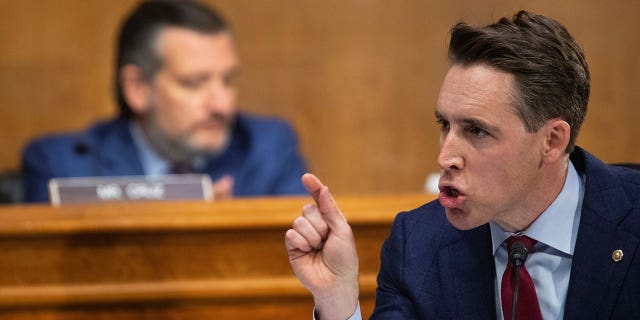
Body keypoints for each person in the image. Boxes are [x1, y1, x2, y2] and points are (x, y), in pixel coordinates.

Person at [286, 11, 640, 319]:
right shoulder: (418, 245)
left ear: (552, 141)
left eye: (476, 130)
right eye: (445, 125)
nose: (445, 157)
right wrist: (337, 300)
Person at [21, 0, 307, 203]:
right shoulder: (62, 167)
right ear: (137, 88)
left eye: (228, 81)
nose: (222, 105)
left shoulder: (266, 149)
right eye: (194, 83)